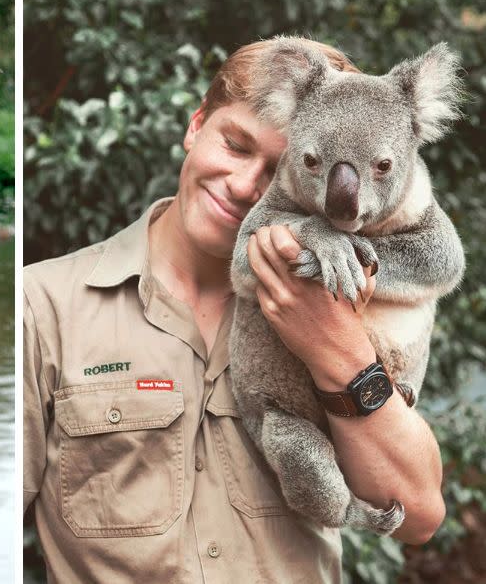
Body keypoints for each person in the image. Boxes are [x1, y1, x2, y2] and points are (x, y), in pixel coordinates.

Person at [23, 37, 446, 583]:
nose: (246, 186)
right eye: (236, 145)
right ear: (196, 125)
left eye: (278, 169)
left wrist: (337, 351)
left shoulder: (350, 299)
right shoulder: (45, 305)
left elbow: (417, 515)